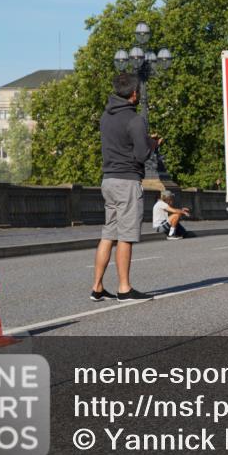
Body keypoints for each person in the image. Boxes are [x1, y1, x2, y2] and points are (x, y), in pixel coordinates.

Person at [91, 73, 160, 302]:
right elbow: (141, 155)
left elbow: (121, 143)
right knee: (125, 236)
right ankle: (124, 288)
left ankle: (97, 287)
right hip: (127, 181)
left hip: (108, 180)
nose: (139, 95)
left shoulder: (105, 116)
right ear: (133, 94)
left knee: (108, 234)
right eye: (138, 92)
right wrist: (152, 143)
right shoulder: (135, 119)